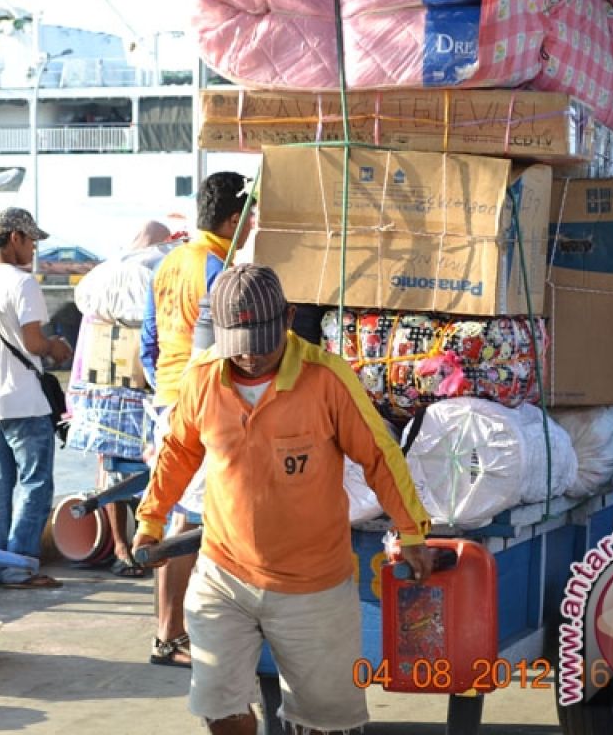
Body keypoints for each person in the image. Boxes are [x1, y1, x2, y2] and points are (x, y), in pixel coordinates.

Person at [131, 264, 433, 734]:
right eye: (239, 345)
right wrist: (150, 520)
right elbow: (177, 453)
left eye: (261, 343)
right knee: (219, 707)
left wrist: (412, 530)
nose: (249, 357)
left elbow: (379, 453)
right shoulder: (203, 378)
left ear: (289, 318)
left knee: (327, 723)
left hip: (314, 583)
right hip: (223, 574)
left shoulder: (326, 378)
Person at [139, 171, 254, 667]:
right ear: (232, 219)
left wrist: (168, 386)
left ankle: (175, 630)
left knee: (173, 511)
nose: (251, 228)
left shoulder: (169, 262)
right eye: (249, 219)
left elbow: (148, 341)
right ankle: (170, 636)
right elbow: (235, 347)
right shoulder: (219, 267)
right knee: (190, 517)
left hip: (166, 398)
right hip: (200, 403)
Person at [0, 207, 74, 588]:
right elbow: (33, 343)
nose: (33, 249)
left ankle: (1, 561)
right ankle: (18, 568)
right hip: (23, 400)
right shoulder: (23, 283)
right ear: (15, 238)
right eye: (31, 240)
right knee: (35, 483)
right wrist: (56, 348)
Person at [70, 220, 175, 578]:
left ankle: (120, 547)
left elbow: (86, 333)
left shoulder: (100, 274)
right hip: (145, 384)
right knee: (161, 466)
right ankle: (150, 542)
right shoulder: (158, 271)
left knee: (110, 470)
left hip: (102, 387)